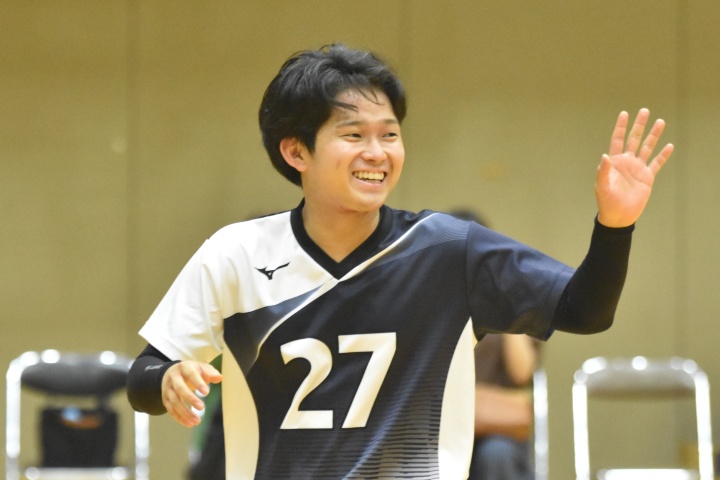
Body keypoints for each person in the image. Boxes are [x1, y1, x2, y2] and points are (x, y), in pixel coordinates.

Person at [127, 43, 673, 479]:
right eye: (353, 135)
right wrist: (169, 377)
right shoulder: (237, 253)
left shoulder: (449, 250)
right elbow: (143, 378)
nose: (378, 152)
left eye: (389, 134)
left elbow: (585, 311)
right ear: (296, 152)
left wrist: (615, 225)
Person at [450, 209, 539, 479]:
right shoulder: (428, 302)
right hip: (443, 427)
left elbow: (522, 372)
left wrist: (504, 297)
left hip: (497, 430)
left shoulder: (507, 299)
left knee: (496, 453)